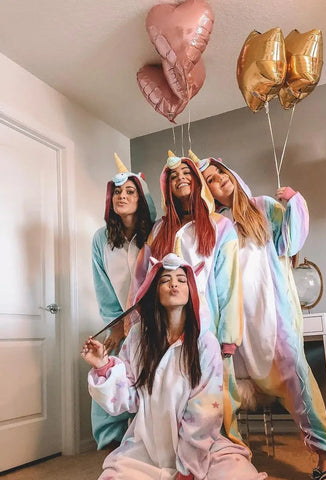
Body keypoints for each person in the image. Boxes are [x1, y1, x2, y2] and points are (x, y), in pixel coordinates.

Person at [196, 153, 326, 480]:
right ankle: (233, 462)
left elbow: (290, 240)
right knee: (223, 389)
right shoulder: (215, 226)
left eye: (220, 173)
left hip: (272, 316)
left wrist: (294, 203)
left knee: (298, 380)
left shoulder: (262, 207)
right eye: (210, 183)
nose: (219, 182)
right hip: (234, 323)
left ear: (230, 171)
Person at [81, 254, 267, 480]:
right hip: (147, 446)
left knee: (240, 474)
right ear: (154, 291)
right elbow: (128, 398)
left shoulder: (204, 343)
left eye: (181, 279)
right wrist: (102, 366)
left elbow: (205, 410)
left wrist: (188, 467)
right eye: (165, 280)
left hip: (198, 448)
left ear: (191, 291)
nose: (173, 284)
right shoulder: (138, 338)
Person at [127, 151, 243, 445]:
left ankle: (224, 454)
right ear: (167, 186)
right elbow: (142, 279)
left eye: (186, 173)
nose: (180, 178)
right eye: (174, 175)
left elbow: (228, 283)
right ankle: (170, 455)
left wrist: (228, 336)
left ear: (197, 180)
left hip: (206, 328)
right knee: (167, 394)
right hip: (164, 327)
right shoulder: (158, 230)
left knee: (217, 401)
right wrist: (135, 322)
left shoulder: (220, 226)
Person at [91, 153, 157, 449]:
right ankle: (111, 445)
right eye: (118, 191)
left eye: (130, 191)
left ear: (141, 198)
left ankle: (152, 442)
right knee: (110, 372)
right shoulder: (100, 240)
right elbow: (105, 290)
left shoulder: (156, 233)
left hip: (157, 321)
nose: (122, 196)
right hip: (121, 322)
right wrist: (117, 327)